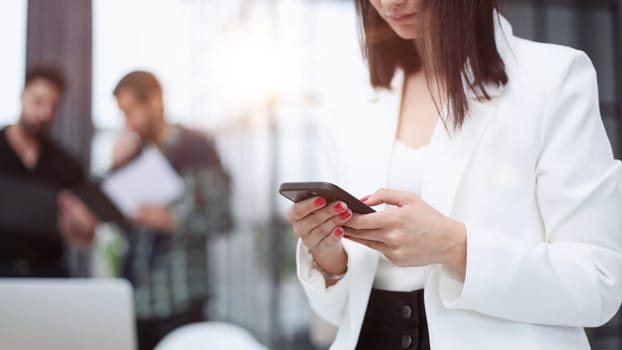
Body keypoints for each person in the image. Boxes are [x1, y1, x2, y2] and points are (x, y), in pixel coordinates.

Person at [287, 1, 622, 349]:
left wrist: (455, 247)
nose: (389, 3)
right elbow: (335, 312)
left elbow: (598, 283)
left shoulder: (554, 77)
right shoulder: (350, 100)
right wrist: (328, 256)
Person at [111, 71, 232, 350]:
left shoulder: (197, 147)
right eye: (122, 113)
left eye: (131, 110)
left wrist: (171, 220)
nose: (127, 121)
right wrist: (115, 169)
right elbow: (116, 221)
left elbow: (223, 219)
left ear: (155, 100)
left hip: (181, 300)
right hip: (135, 299)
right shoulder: (132, 154)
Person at [0, 66, 96, 277]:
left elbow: (84, 238)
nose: (44, 113)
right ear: (22, 95)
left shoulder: (67, 165)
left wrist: (77, 224)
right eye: (38, 102)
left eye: (53, 106)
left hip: (48, 272)